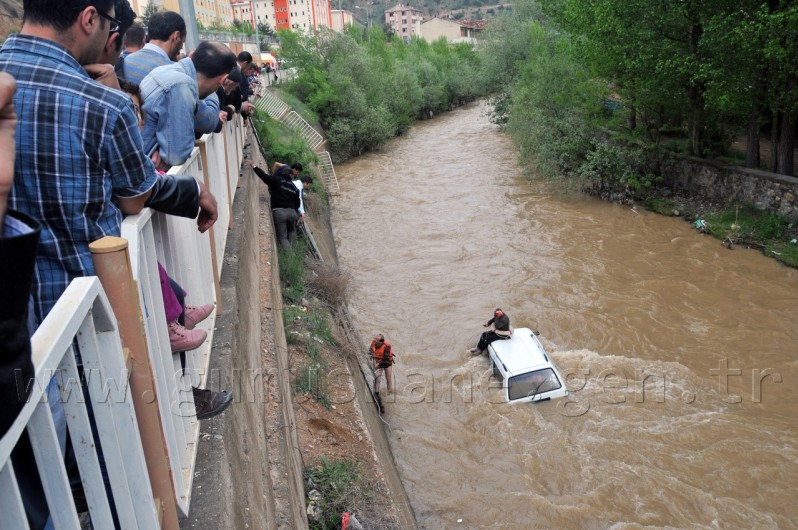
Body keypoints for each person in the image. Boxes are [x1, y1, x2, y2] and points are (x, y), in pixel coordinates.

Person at [0, 0, 227, 422]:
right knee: (105, 432)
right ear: (89, 19)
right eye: (109, 26)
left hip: (18, 325)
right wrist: (193, 190)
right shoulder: (100, 103)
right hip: (87, 309)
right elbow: (136, 193)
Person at [139, 40, 236, 171]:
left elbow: (207, 120)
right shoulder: (181, 86)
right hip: (141, 176)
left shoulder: (167, 71)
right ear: (223, 80)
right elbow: (176, 155)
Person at [121, 10, 185, 85]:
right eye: (183, 41)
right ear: (176, 37)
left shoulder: (124, 61)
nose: (181, 47)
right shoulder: (174, 73)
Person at [249, 162, 302, 249]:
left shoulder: (277, 180)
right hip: (292, 213)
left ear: (282, 173)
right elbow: (298, 204)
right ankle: (296, 249)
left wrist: (254, 166)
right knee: (292, 231)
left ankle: (290, 255)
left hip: (279, 212)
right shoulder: (294, 187)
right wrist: (293, 210)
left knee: (283, 238)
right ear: (290, 176)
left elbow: (264, 177)